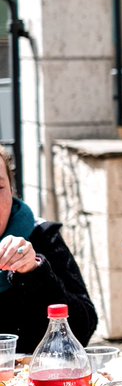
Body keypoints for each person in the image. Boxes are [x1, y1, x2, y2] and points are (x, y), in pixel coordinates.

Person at [0, 147, 97, 351]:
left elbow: (83, 328)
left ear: (11, 190)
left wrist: (34, 273)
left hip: (28, 380)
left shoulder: (42, 236)